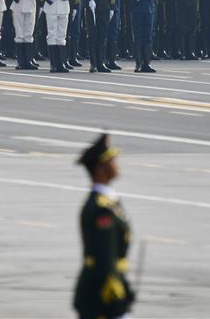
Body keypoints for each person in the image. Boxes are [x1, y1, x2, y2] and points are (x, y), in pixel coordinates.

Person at [73, 133, 135, 319]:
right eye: (112, 161)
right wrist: (115, 297)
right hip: (102, 296)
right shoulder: (101, 209)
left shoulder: (109, 203)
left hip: (107, 289)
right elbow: (104, 260)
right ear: (101, 168)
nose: (116, 164)